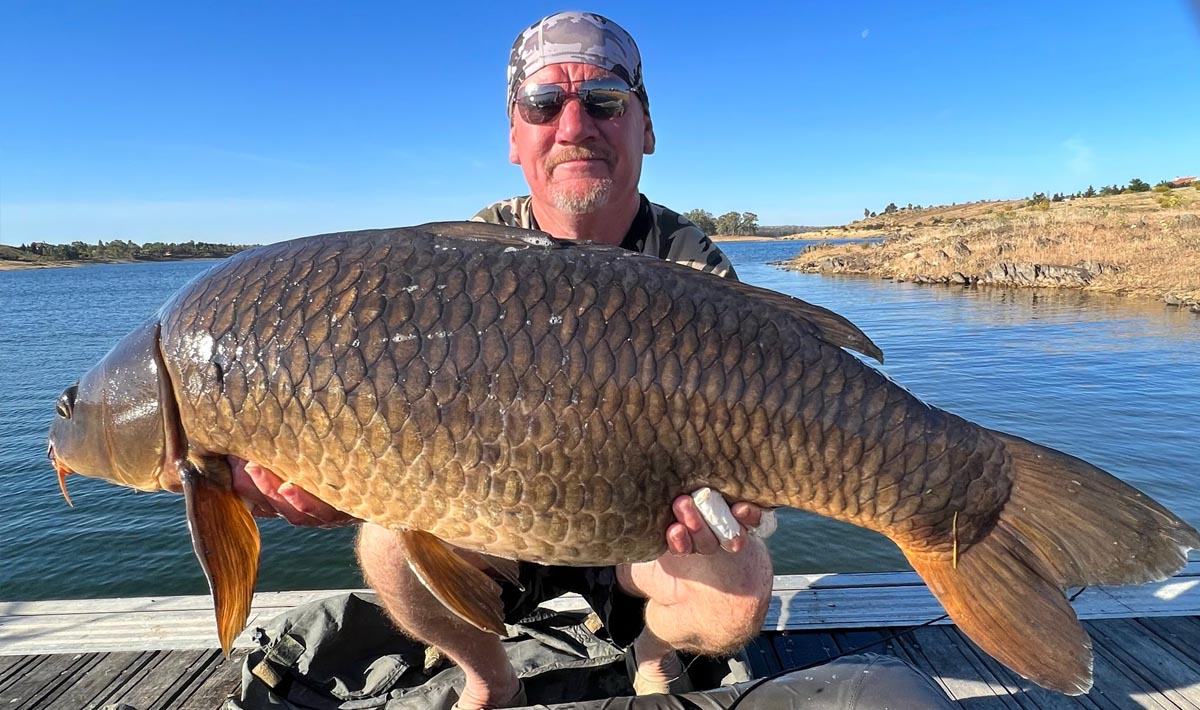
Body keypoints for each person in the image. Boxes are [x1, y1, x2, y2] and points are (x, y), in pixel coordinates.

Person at [230, 12, 774, 710]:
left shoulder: (692, 265)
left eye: (604, 100)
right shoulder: (469, 257)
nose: (574, 126)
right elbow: (396, 415)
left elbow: (756, 449)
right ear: (516, 137)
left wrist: (737, 500)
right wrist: (337, 479)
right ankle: (492, 678)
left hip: (641, 526)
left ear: (646, 126)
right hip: (500, 517)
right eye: (544, 104)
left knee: (737, 592)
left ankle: (653, 654)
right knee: (388, 543)